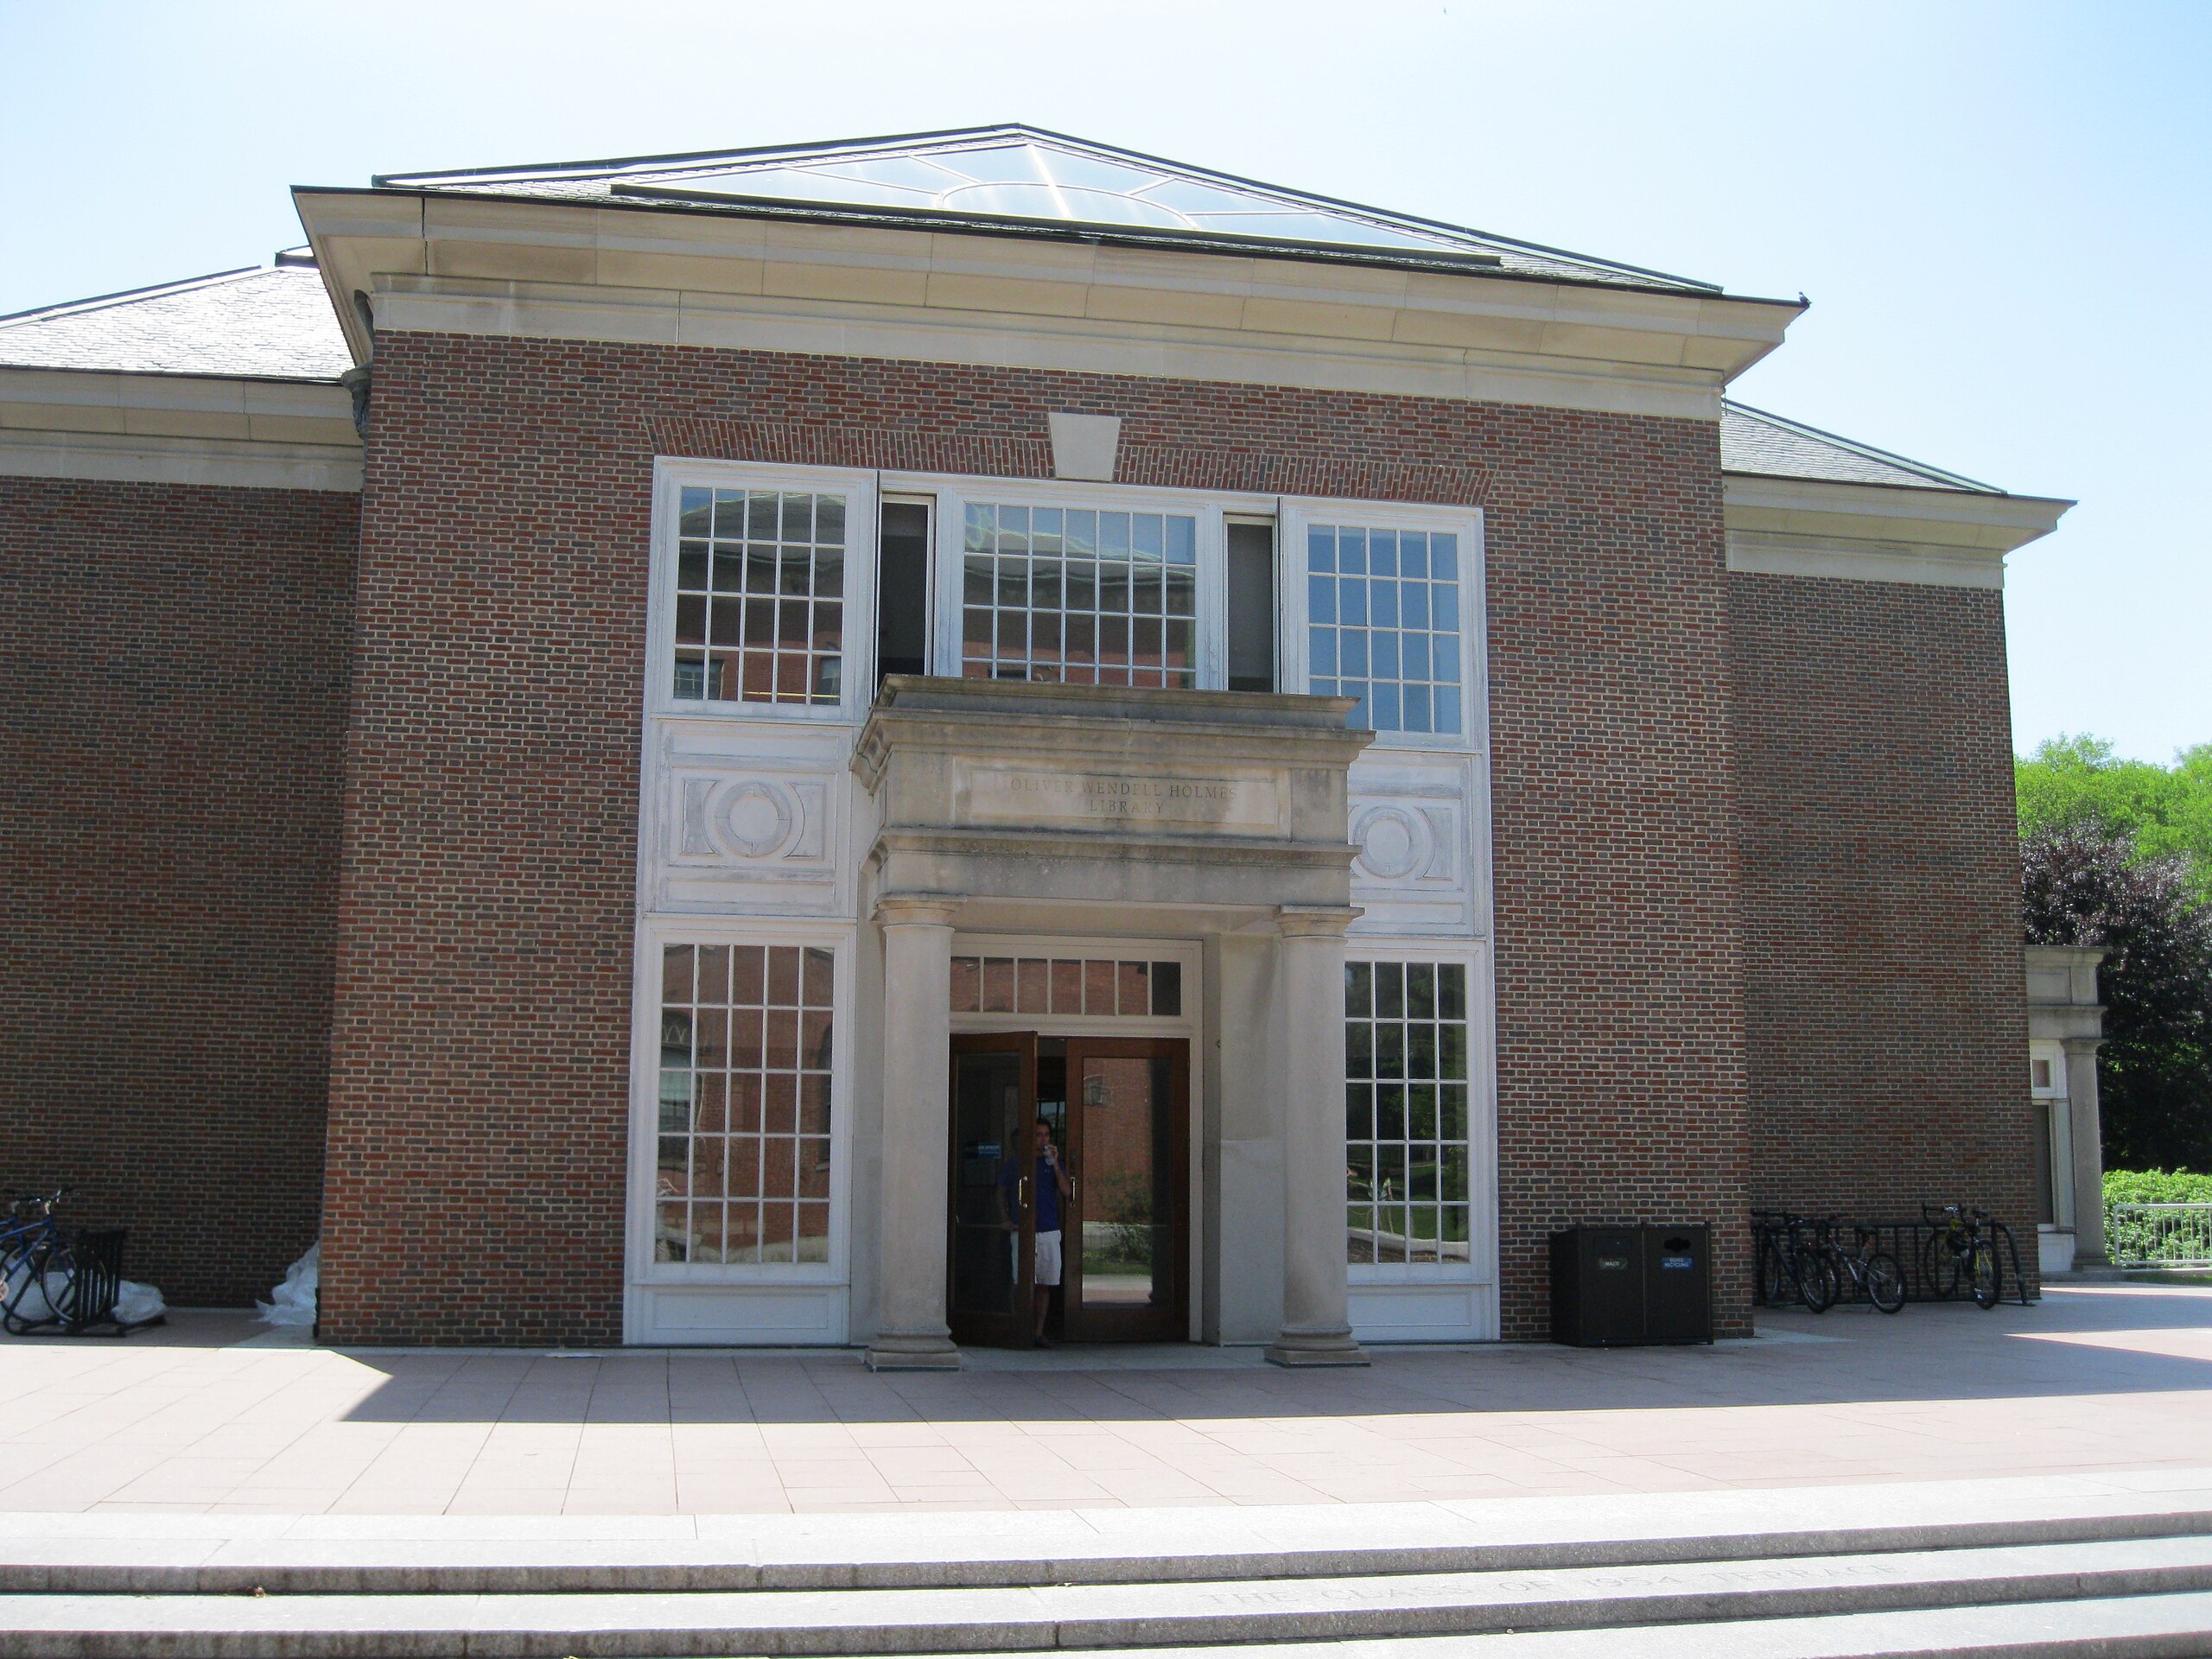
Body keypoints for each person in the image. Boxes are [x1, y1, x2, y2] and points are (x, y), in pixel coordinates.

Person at [1007, 1114, 1072, 1345]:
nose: (1042, 1139)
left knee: (1045, 1283)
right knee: (1021, 1282)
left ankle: (1037, 1332)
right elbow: (1000, 1190)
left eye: (1046, 1135)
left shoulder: (1053, 1163)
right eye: (1038, 1135)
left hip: (1048, 1230)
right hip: (1023, 1230)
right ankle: (1018, 1329)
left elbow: (1066, 1191)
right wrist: (1005, 1218)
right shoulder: (1017, 1162)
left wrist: (1054, 1163)